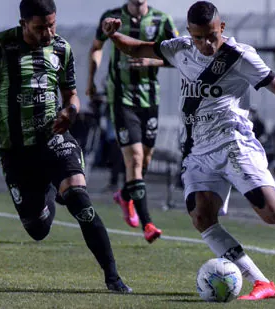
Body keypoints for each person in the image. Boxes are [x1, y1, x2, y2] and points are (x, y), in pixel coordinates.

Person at [101, 0, 275, 300]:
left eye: (211, 36)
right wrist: (113, 35)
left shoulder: (240, 56)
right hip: (197, 152)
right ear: (189, 33)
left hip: (234, 145)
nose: (205, 44)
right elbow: (136, 48)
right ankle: (262, 283)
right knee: (202, 218)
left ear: (222, 28)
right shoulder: (180, 49)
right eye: (198, 37)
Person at [0, 0, 131, 293]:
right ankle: (50, 188)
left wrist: (70, 112)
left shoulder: (62, 48)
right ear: (23, 24)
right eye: (39, 28)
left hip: (54, 139)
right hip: (15, 150)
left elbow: (71, 95)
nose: (47, 33)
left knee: (79, 201)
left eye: (52, 25)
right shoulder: (0, 46)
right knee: (37, 229)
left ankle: (113, 277)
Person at [88, 0, 179, 243]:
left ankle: (125, 195)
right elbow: (96, 46)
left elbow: (179, 56)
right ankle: (148, 223)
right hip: (120, 97)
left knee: (145, 159)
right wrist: (90, 80)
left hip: (150, 98)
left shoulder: (162, 20)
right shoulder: (111, 17)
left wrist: (152, 61)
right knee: (135, 158)